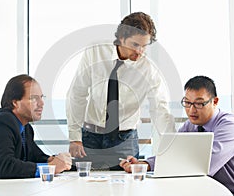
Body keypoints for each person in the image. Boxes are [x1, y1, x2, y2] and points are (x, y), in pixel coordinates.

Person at [66, 12, 174, 170]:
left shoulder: (149, 68)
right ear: (121, 38)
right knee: (85, 187)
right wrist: (75, 137)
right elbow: (77, 93)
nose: (140, 51)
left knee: (127, 189)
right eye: (135, 45)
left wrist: (171, 144)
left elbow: (160, 108)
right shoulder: (96, 52)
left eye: (144, 46)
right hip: (90, 136)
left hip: (125, 140)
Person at [120, 75, 234, 195]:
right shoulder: (191, 125)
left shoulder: (229, 127)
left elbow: (203, 166)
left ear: (214, 102)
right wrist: (144, 164)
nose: (191, 110)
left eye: (199, 103)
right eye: (187, 103)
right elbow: (173, 154)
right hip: (207, 189)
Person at [0, 74, 72, 186]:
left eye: (41, 97)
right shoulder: (0, 124)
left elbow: (35, 156)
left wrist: (57, 161)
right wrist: (50, 168)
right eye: (34, 98)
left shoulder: (25, 128)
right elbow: (4, 166)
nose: (41, 103)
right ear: (15, 102)